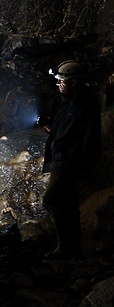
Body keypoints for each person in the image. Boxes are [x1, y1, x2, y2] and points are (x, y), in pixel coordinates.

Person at [43, 60, 101, 259]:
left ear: (74, 82)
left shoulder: (86, 105)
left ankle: (66, 246)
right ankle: (70, 248)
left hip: (69, 161)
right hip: (61, 158)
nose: (58, 85)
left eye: (61, 81)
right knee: (67, 202)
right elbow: (68, 127)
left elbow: (90, 137)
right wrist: (53, 129)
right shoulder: (67, 102)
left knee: (51, 199)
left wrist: (86, 165)